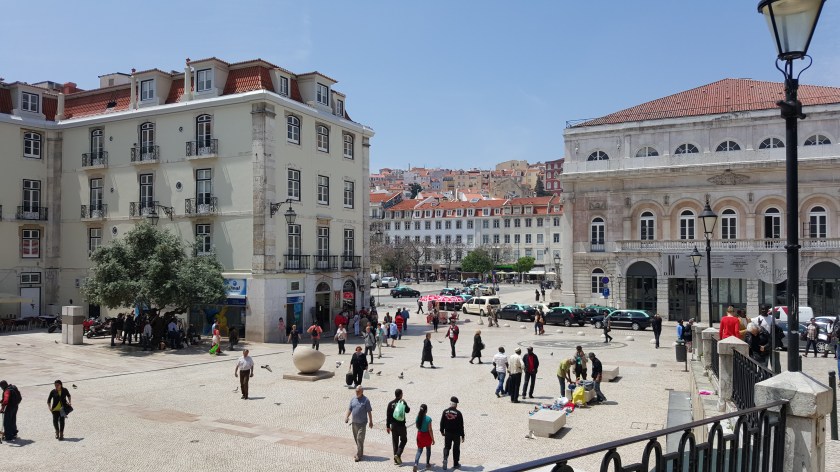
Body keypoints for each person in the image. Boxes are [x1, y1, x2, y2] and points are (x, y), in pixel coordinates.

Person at [345, 385, 374, 462]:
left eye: (358, 391)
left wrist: (371, 421)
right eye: (356, 391)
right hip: (354, 423)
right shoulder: (353, 399)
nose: (356, 392)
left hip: (362, 423)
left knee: (359, 438)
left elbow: (369, 411)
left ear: (362, 392)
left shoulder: (366, 400)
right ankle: (360, 452)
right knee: (356, 439)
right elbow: (350, 409)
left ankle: (358, 455)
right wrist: (347, 417)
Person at [386, 389, 411, 465]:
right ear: (400, 395)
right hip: (401, 426)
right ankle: (398, 454)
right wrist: (405, 402)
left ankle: (396, 460)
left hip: (393, 425)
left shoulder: (390, 403)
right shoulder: (402, 402)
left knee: (395, 442)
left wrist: (388, 426)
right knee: (404, 440)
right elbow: (408, 410)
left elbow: (388, 416)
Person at [440, 396, 465, 470]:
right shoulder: (459, 413)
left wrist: (442, 431)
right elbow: (461, 426)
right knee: (456, 448)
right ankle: (456, 463)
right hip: (456, 434)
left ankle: (445, 459)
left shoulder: (445, 412)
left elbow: (442, 422)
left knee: (447, 447)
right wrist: (462, 435)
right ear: (456, 405)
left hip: (447, 433)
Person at [410, 404, 435, 471]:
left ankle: (415, 464)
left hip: (420, 435)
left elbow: (417, 427)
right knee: (428, 449)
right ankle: (427, 463)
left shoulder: (418, 417)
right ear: (426, 410)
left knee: (419, 450)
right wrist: (433, 439)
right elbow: (430, 429)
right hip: (427, 436)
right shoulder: (428, 419)